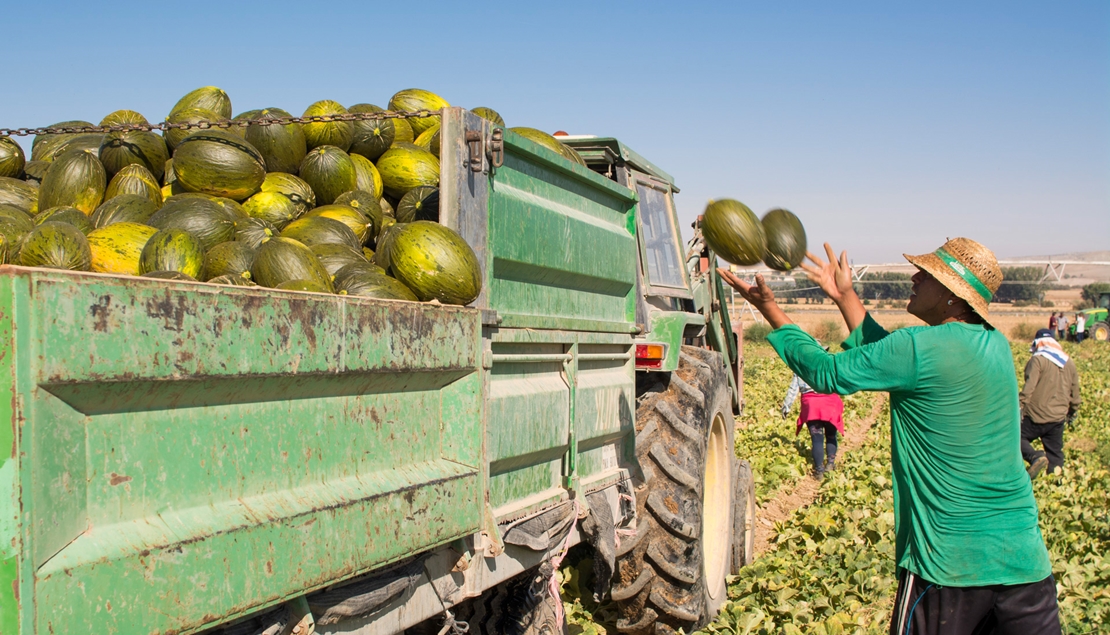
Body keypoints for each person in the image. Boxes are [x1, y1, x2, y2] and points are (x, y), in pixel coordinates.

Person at [719, 237, 1059, 635]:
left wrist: (769, 308)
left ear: (952, 296)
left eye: (927, 274)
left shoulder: (916, 347)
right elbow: (892, 355)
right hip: (1024, 564)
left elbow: (827, 372)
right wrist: (845, 296)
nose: (914, 277)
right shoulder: (995, 345)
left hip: (948, 564)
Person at [1020, 329, 1081, 479]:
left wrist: (1019, 407)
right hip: (1058, 418)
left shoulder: (1038, 360)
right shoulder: (1068, 362)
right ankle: (1056, 482)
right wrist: (1072, 412)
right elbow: (1075, 393)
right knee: (1055, 453)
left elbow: (1029, 389)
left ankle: (1035, 457)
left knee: (1014, 438)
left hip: (1035, 416)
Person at [781, 356, 845, 479]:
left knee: (817, 439)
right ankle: (830, 464)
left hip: (812, 406)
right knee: (831, 435)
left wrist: (786, 407)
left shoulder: (800, 368)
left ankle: (819, 470)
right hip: (830, 403)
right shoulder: (829, 364)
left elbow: (793, 390)